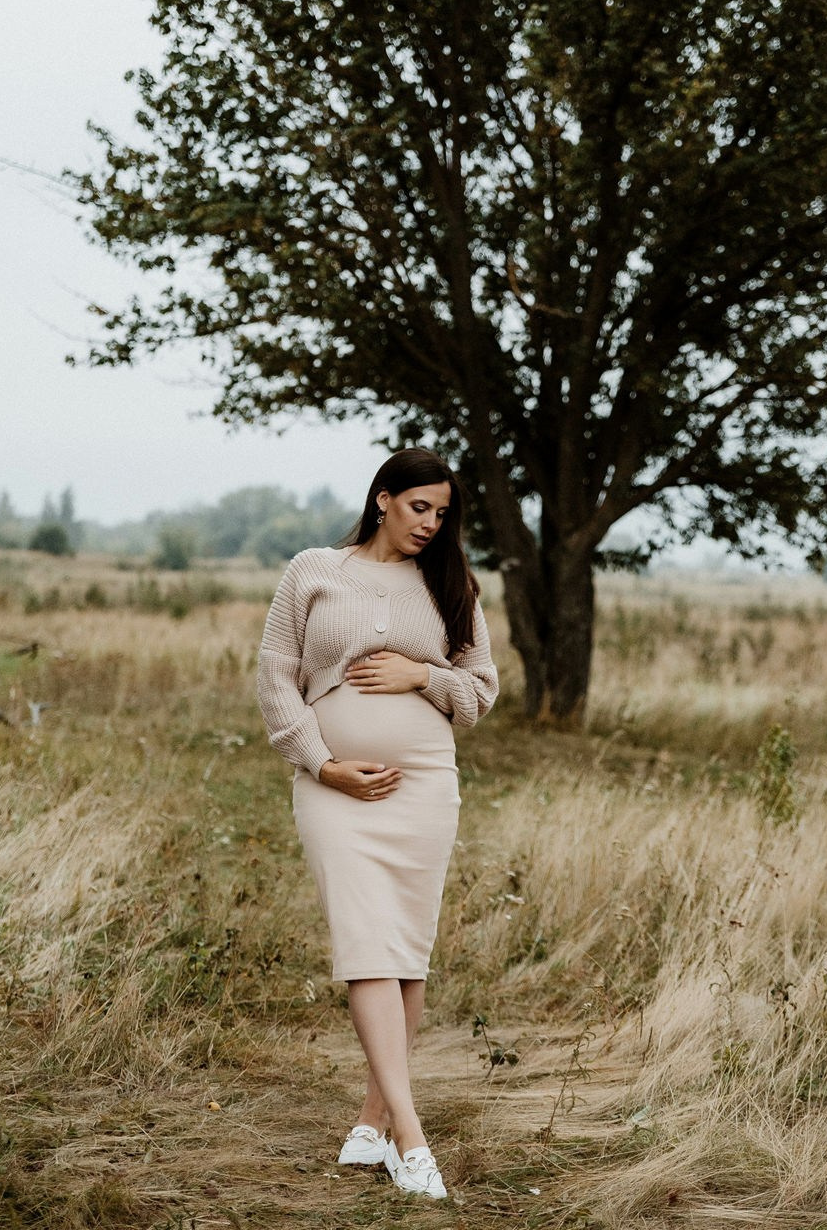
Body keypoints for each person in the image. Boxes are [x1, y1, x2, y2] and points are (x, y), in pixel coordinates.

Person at [257, 448, 498, 1200]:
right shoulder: (313, 571)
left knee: (405, 952)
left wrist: (423, 674)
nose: (431, 524)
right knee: (366, 946)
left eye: (443, 514)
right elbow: (275, 675)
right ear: (383, 498)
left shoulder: (452, 587)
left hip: (423, 785)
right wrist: (320, 762)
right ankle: (411, 1139)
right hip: (333, 787)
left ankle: (373, 1122)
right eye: (420, 507)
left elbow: (481, 692)